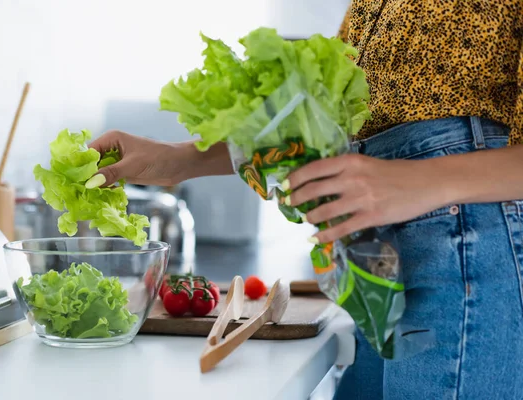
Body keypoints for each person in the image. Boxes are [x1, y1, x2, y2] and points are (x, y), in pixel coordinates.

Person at [90, 1, 523, 399]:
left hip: (468, 249)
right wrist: (178, 160)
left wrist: (420, 178)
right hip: (379, 267)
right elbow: (317, 126)